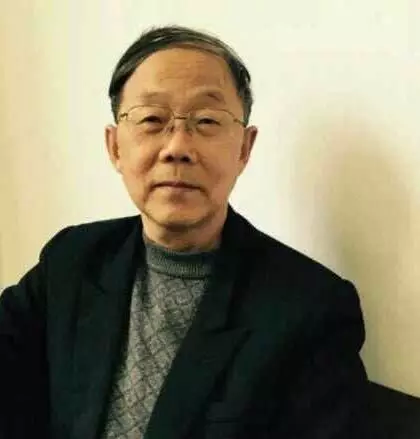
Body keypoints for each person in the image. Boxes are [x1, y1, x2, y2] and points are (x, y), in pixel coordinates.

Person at [0, 25, 369, 439]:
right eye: (152, 119)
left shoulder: (310, 308)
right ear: (115, 146)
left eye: (206, 120)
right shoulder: (73, 259)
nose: (177, 147)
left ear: (244, 148)